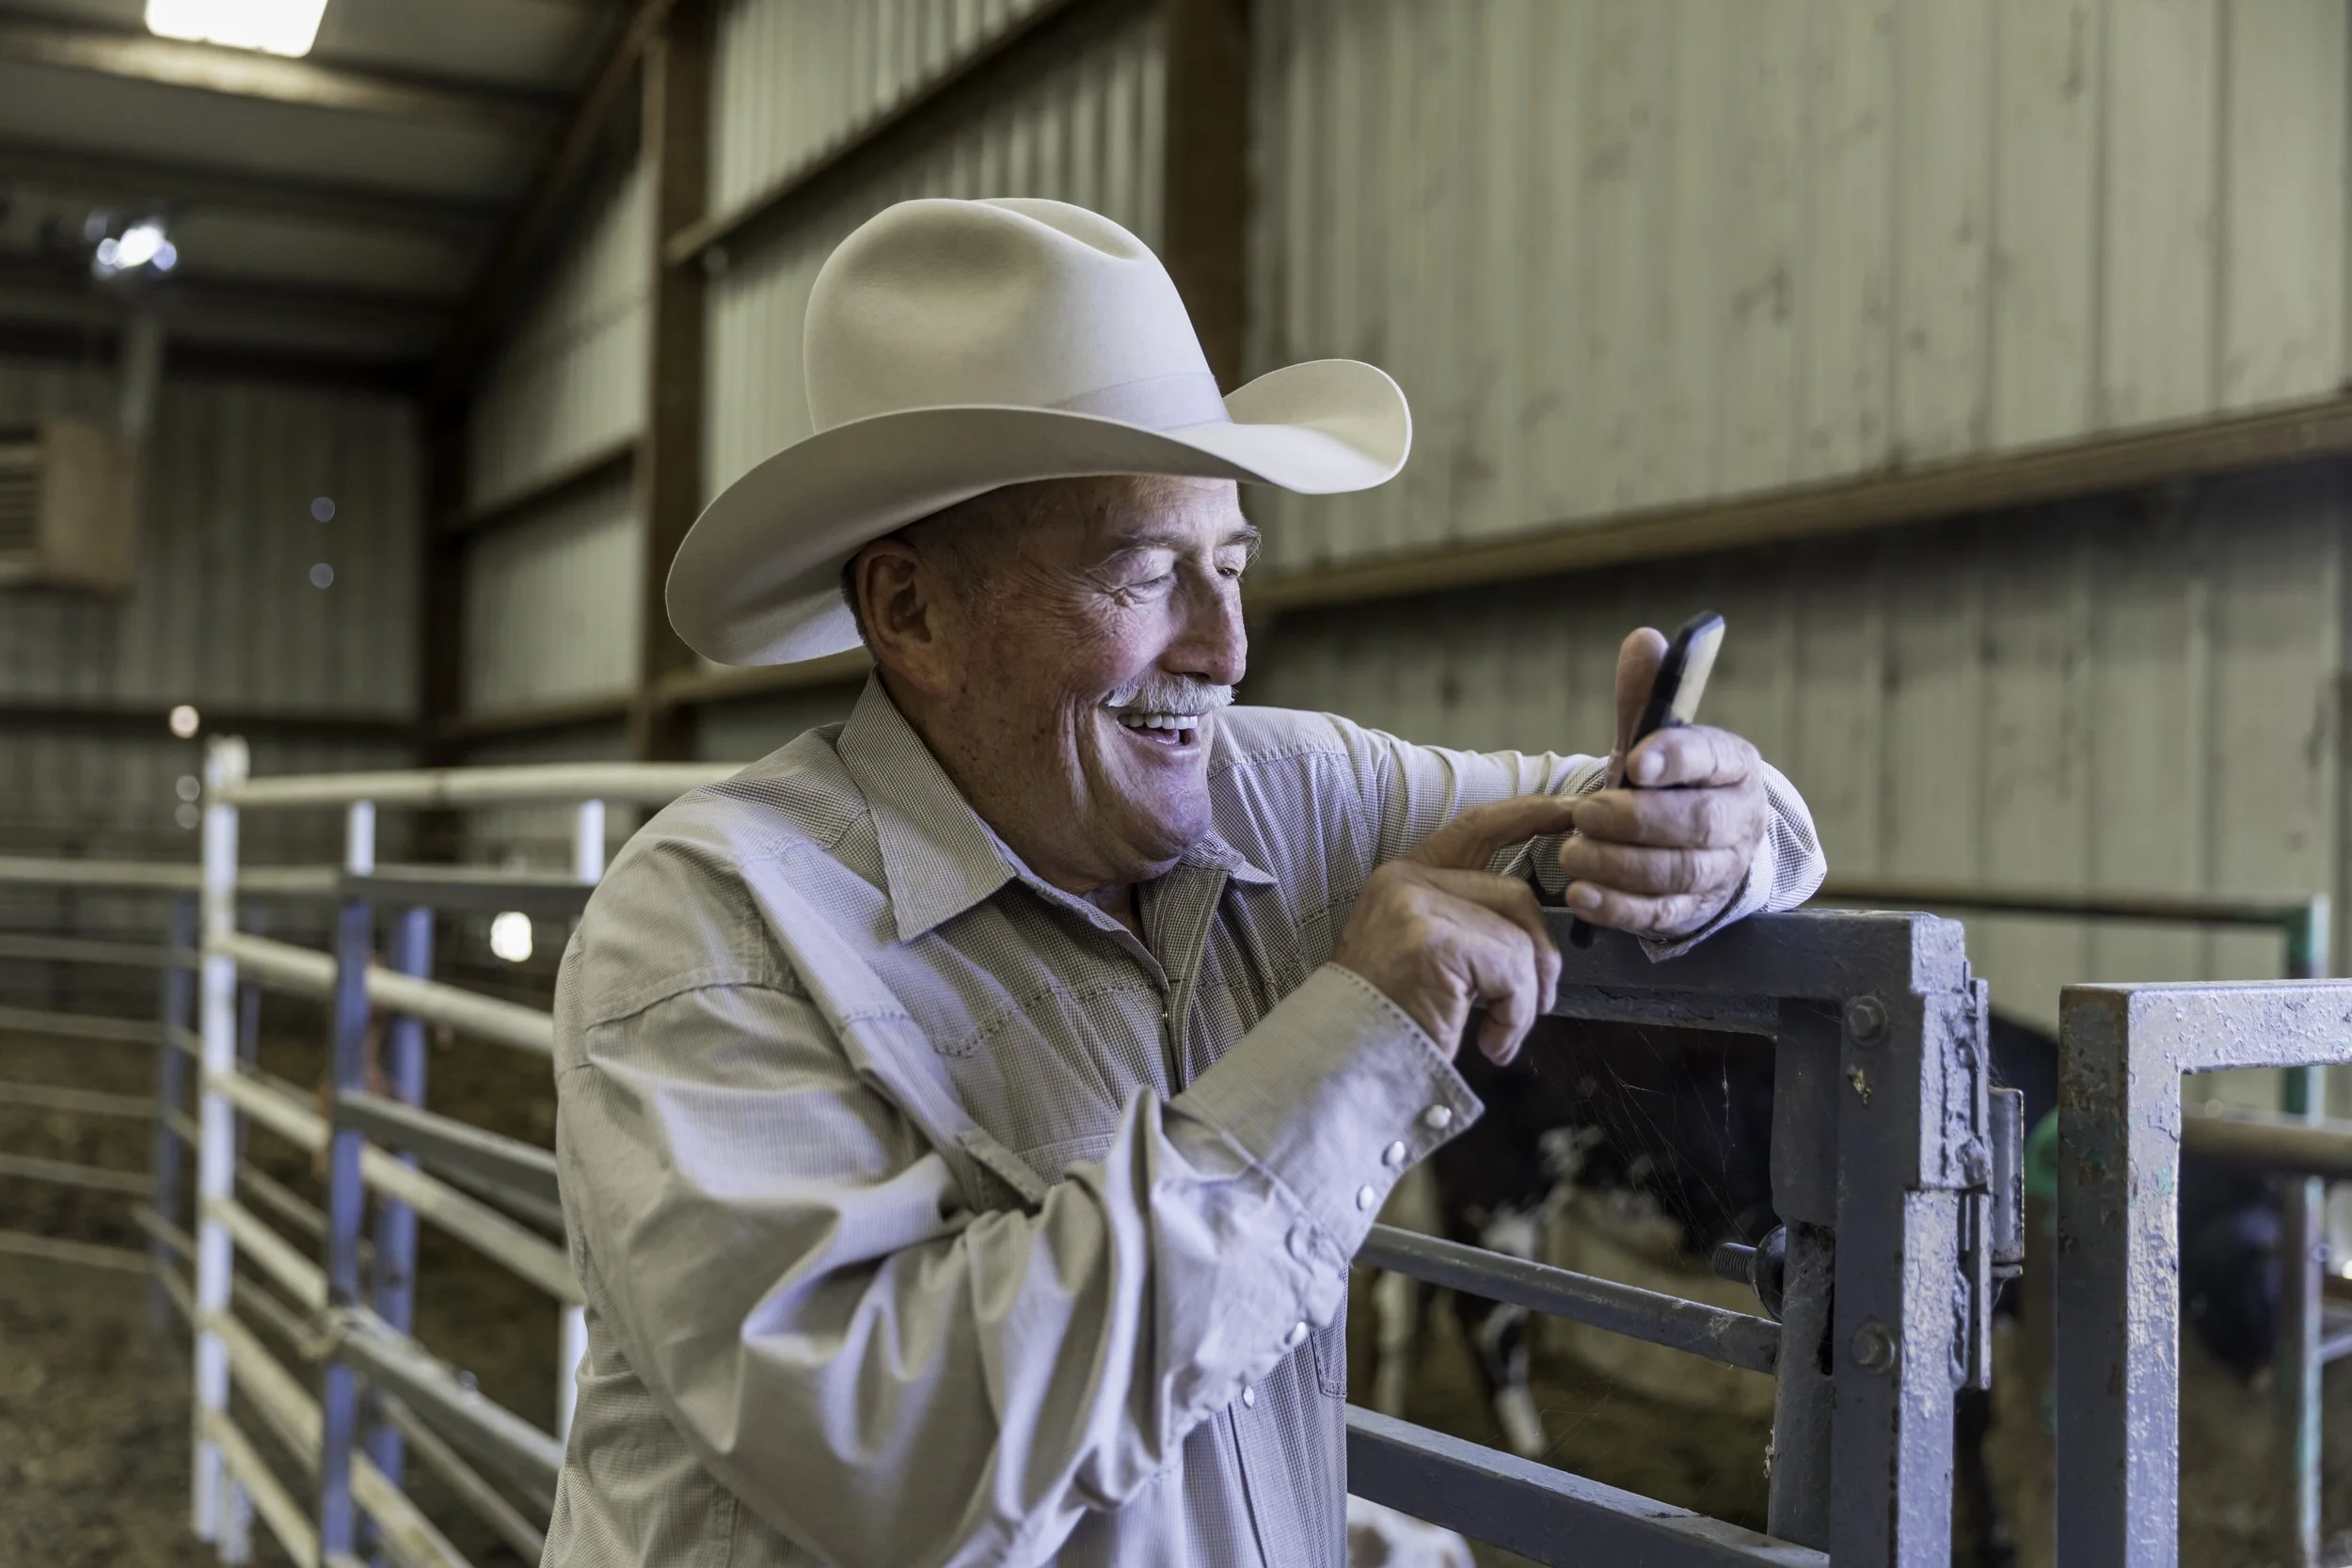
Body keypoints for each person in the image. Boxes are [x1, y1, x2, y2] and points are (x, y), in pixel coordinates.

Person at [545, 198, 1826, 1568]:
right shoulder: (713, 929)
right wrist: (1356, 1037)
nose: (1223, 646)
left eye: (1230, 564)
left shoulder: (1283, 790)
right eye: (1146, 572)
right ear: (911, 611)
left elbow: (1704, 817)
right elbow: (902, 1460)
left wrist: (1708, 830)